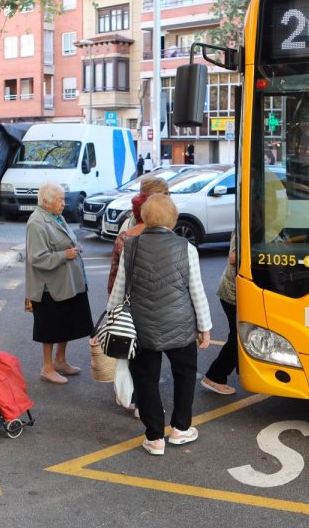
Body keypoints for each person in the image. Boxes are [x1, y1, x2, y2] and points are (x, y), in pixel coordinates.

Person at [106, 195, 212, 456]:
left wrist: (110, 321)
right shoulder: (186, 248)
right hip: (181, 326)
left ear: (145, 216)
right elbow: (196, 291)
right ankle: (180, 429)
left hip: (140, 328)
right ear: (172, 219)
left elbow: (120, 289)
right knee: (184, 376)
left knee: (146, 380)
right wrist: (205, 327)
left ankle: (155, 438)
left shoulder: (131, 246)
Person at [26, 182, 94, 384]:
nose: (64, 203)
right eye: (60, 199)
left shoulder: (56, 216)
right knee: (50, 327)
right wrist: (65, 255)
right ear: (46, 201)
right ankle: (47, 368)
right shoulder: (36, 223)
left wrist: (73, 249)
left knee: (67, 322)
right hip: (49, 287)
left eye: (64, 199)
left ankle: (60, 360)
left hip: (67, 282)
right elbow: (37, 258)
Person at [107, 177, 170, 294]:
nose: (170, 198)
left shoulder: (128, 230)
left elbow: (114, 277)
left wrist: (112, 306)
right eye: (166, 194)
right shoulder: (129, 232)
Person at [201, 231, 239, 396]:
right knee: (239, 337)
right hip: (234, 293)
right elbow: (233, 258)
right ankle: (214, 376)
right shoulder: (248, 225)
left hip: (236, 291)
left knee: (239, 335)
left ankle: (216, 375)